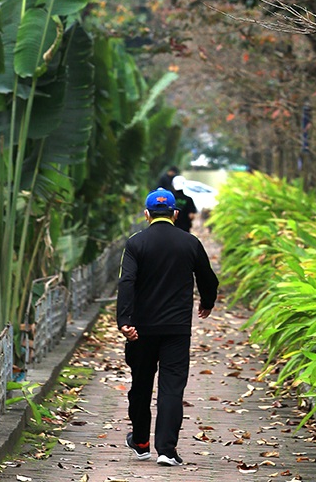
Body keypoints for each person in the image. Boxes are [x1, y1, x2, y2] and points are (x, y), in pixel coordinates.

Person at [117, 187, 219, 466]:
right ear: (175, 214)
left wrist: (124, 322)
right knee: (172, 387)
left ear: (147, 214)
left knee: (140, 385)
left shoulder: (136, 243)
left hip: (141, 329)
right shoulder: (190, 243)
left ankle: (140, 442)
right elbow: (208, 278)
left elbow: (126, 282)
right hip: (176, 328)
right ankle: (166, 450)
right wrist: (207, 302)